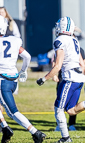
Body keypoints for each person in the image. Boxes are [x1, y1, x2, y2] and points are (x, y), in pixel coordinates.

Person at [36, 16, 85, 142]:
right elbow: (82, 63)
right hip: (78, 77)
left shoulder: (60, 40)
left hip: (69, 78)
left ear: (61, 27)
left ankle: (65, 138)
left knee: (58, 109)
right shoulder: (74, 39)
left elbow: (58, 65)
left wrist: (44, 79)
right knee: (71, 110)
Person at [0, 15, 46, 143]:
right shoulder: (13, 40)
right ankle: (5, 128)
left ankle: (35, 133)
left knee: (12, 112)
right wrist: (23, 71)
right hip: (13, 80)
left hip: (3, 81)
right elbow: (27, 56)